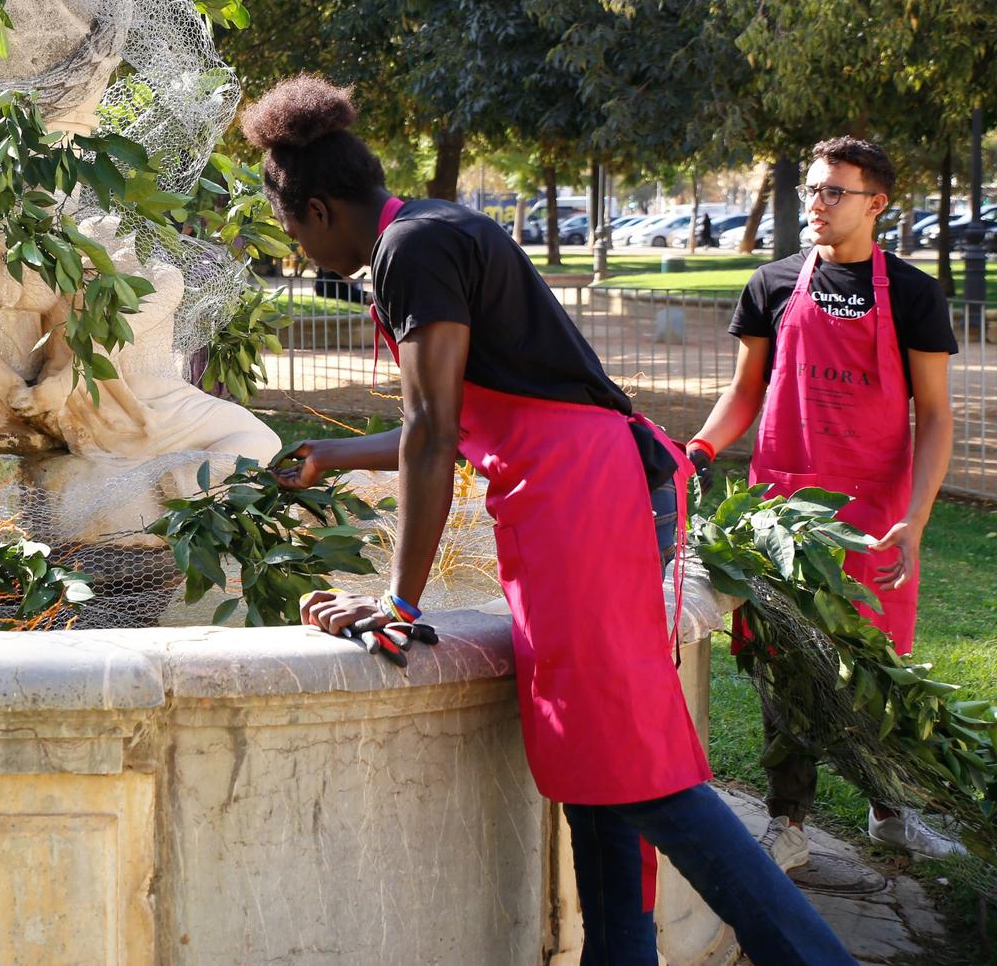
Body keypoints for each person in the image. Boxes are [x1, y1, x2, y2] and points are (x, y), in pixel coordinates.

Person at [249, 75, 851, 966]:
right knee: (597, 775)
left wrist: (399, 599)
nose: (296, 250)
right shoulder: (428, 232)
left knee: (640, 772)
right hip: (577, 487)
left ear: (320, 207)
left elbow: (433, 429)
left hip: (581, 495)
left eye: (291, 228)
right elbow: (451, 424)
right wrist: (333, 455)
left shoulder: (411, 249)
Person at [684, 137, 960, 868]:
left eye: (834, 191)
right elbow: (746, 391)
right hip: (783, 516)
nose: (816, 203)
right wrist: (700, 450)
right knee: (785, 665)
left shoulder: (915, 294)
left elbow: (934, 415)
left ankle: (891, 809)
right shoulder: (772, 284)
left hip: (877, 515)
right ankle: (788, 820)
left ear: (878, 202)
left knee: (878, 663)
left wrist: (919, 517)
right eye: (812, 189)